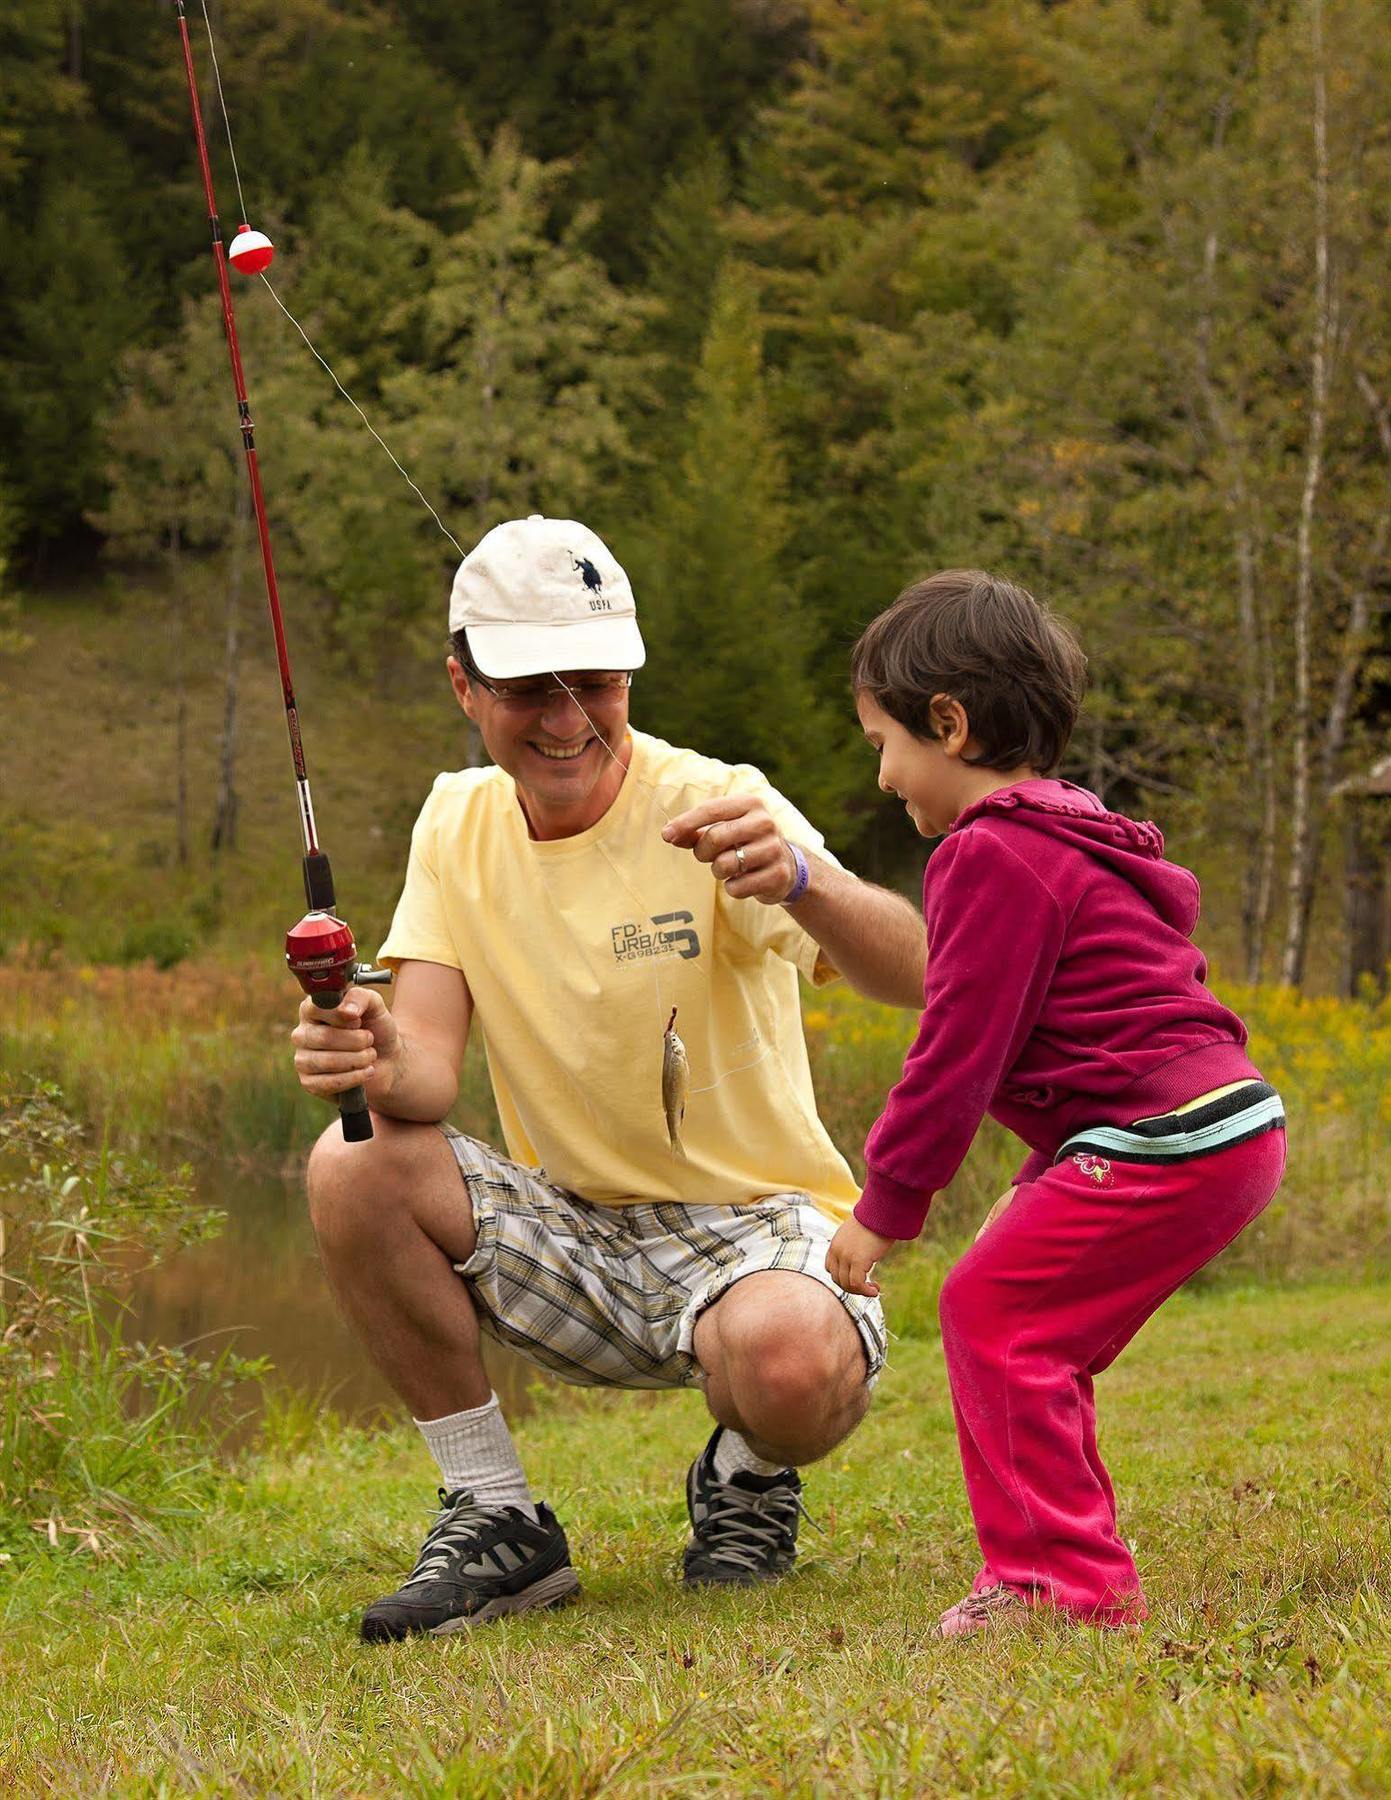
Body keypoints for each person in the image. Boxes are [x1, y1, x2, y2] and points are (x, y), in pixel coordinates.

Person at [292, 514, 927, 1642]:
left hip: (760, 1233)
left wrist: (805, 881)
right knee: (351, 1165)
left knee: (784, 1360)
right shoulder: (456, 820)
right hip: (576, 1233)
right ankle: (497, 1517)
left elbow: (919, 976)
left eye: (595, 682)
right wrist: (377, 1056)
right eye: (531, 689)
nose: (567, 719)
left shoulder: (719, 800)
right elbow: (427, 1076)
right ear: (463, 686)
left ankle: (744, 1477)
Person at [826, 570, 1287, 1638]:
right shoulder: (1074, 833)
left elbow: (957, 1052)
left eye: (883, 742)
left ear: (949, 724)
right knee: (1031, 1323)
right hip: (1221, 1121)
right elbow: (1104, 1038)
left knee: (995, 1316)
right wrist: (1042, 1179)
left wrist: (886, 1206)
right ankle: (1069, 1569)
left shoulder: (988, 853)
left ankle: (1058, 1588)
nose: (886, 774)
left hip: (1168, 1131)